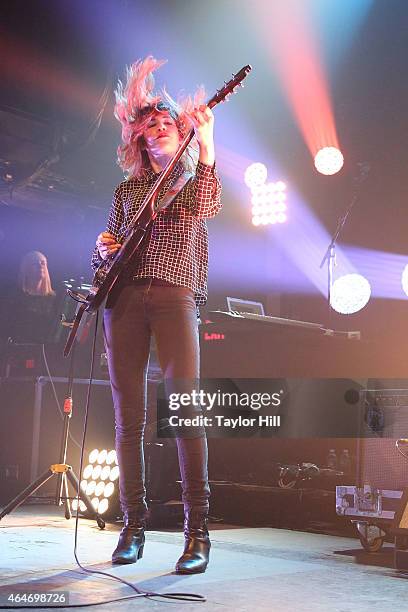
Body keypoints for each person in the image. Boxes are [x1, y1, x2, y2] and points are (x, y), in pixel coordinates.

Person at [92, 57, 222, 573]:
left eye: (169, 120)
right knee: (129, 420)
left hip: (175, 295)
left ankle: (199, 534)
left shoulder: (192, 180)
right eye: (152, 123)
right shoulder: (126, 191)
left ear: (180, 130)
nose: (161, 125)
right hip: (123, 301)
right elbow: (106, 256)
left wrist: (208, 143)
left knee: (186, 411)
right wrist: (102, 251)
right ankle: (133, 527)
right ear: (139, 138)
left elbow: (209, 201)